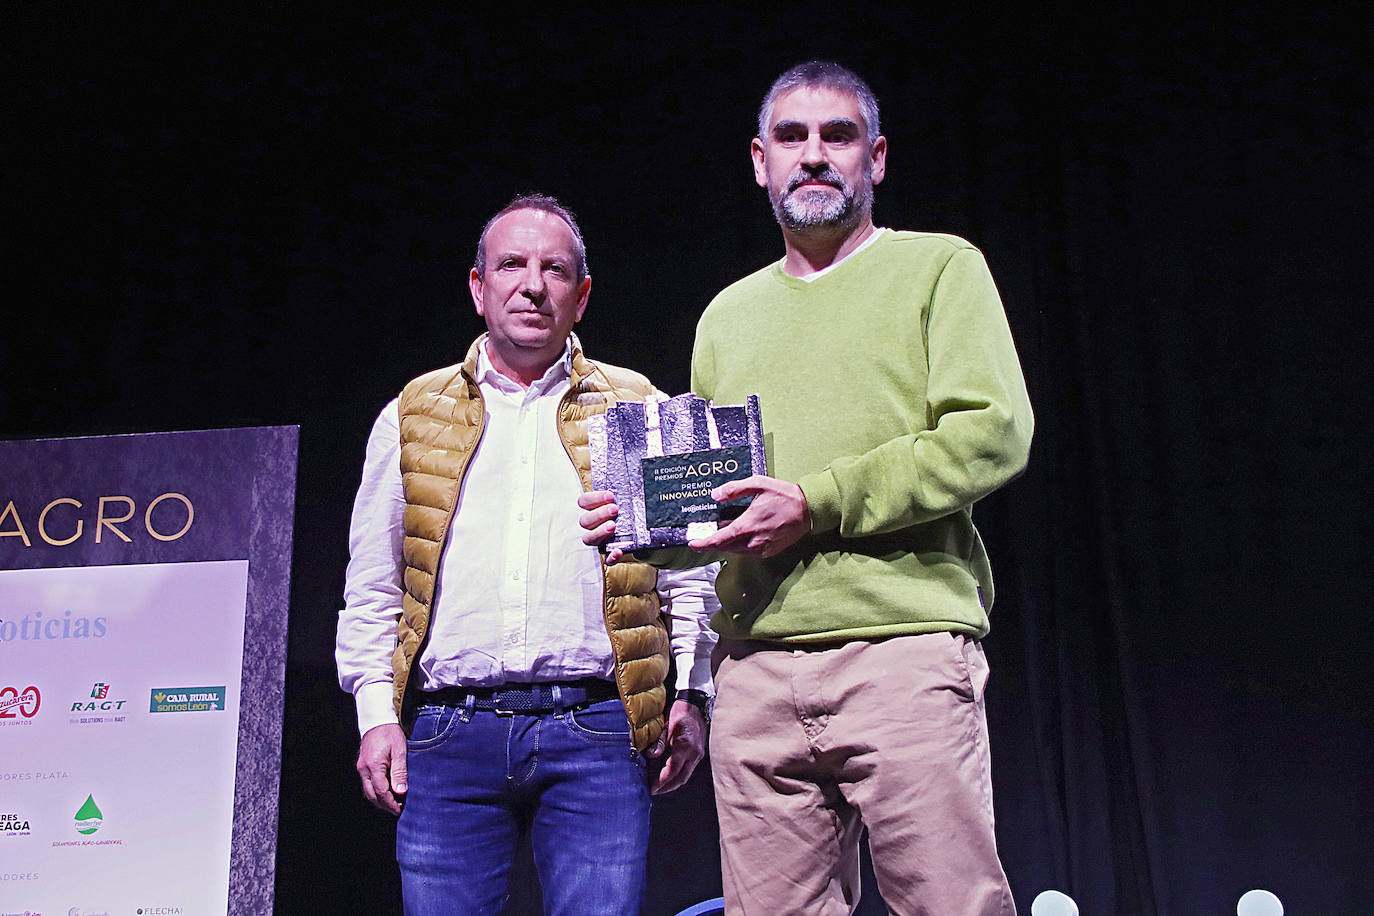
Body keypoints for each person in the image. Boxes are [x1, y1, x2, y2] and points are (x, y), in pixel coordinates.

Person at [582, 62, 1032, 914]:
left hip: (899, 648)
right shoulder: (727, 315)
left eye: (839, 136)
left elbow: (991, 432)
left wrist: (817, 500)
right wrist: (644, 525)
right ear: (760, 161)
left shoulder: (940, 268)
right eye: (792, 137)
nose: (814, 155)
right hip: (754, 670)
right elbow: (722, 500)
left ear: (878, 157)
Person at [337, 193, 717, 916]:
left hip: (599, 733)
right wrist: (374, 714)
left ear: (583, 294)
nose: (533, 284)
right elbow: (375, 585)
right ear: (479, 287)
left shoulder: (640, 405)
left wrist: (692, 697)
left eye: (556, 269)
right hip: (448, 736)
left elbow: (691, 575)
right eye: (511, 265)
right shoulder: (412, 412)